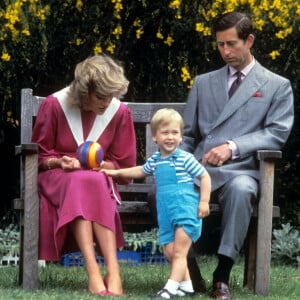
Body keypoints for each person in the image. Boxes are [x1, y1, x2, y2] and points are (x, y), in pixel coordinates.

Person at [182, 11, 294, 299]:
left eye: (232, 44)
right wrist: (177, 163)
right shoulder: (203, 83)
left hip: (242, 170)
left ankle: (222, 274)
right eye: (220, 45)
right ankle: (190, 272)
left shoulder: (276, 85)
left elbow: (276, 133)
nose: (225, 51)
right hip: (199, 170)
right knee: (160, 192)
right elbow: (188, 135)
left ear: (250, 40)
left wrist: (232, 146)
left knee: (243, 190)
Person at [31, 54, 137, 296]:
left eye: (112, 96)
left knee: (93, 179)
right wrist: (60, 161)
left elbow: (124, 164)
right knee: (84, 180)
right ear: (84, 92)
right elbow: (40, 156)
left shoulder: (118, 112)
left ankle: (113, 271)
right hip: (58, 176)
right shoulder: (55, 104)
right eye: (100, 96)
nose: (107, 102)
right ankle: (93, 271)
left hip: (97, 180)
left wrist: (105, 166)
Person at [102, 108, 212, 299]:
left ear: (181, 137)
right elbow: (139, 171)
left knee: (179, 252)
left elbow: (204, 176)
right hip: (166, 213)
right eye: (165, 132)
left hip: (185, 209)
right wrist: (116, 173)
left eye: (175, 133)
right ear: (155, 137)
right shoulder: (156, 160)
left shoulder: (185, 158)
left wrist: (204, 202)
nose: (170, 137)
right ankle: (186, 286)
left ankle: (169, 289)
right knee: (170, 252)